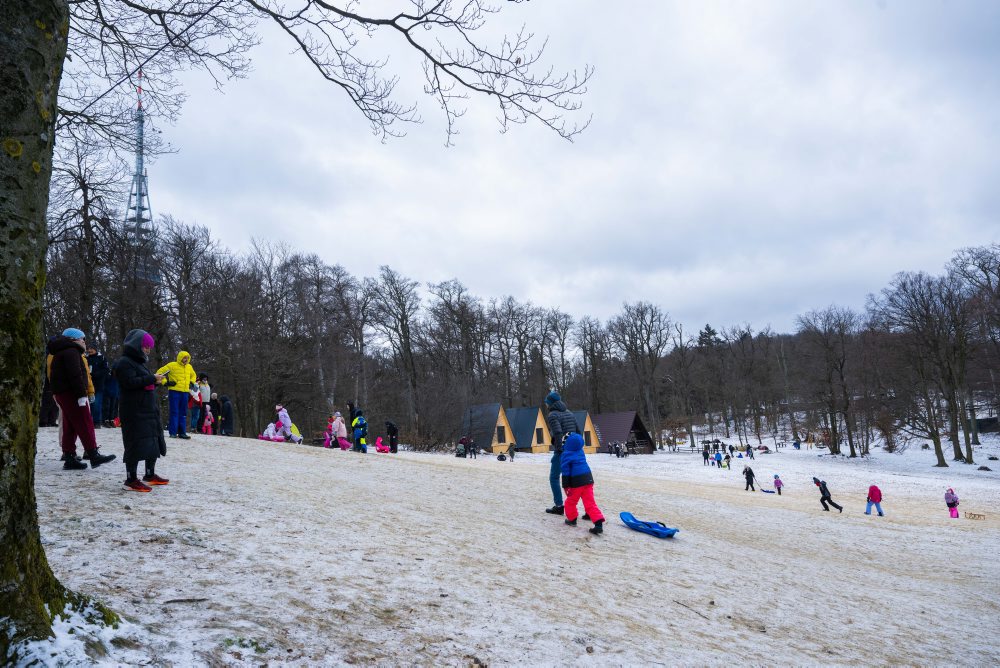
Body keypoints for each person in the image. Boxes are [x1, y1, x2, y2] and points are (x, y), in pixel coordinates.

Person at [47, 328, 116, 470]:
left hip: (64, 392)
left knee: (70, 424)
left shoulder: (63, 351)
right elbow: (75, 375)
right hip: (71, 393)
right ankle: (93, 454)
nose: (84, 341)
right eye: (82, 338)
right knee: (85, 421)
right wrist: (81, 395)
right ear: (74, 339)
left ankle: (69, 456)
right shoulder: (71, 352)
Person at [113, 329, 169, 492]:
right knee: (135, 443)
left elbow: (142, 383)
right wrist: (152, 378)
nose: (148, 350)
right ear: (137, 345)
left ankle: (149, 475)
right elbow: (129, 383)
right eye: (146, 347)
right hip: (133, 411)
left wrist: (155, 381)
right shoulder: (124, 362)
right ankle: (131, 479)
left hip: (147, 410)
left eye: (149, 347)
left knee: (152, 441)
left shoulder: (139, 363)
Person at [561, 433, 605, 535]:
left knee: (570, 502)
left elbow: (565, 471)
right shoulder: (580, 451)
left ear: (566, 443)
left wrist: (566, 486)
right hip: (588, 479)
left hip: (577, 482)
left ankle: (572, 519)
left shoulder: (566, 454)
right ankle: (598, 524)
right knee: (590, 502)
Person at [544, 391, 580, 516]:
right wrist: (578, 448)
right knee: (578, 480)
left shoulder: (553, 415)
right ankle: (587, 509)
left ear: (550, 403)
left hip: (562, 451)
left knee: (554, 478)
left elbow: (558, 432)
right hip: (575, 450)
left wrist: (559, 449)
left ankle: (559, 506)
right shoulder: (569, 412)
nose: (546, 405)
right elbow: (578, 431)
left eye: (547, 403)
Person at [156, 351, 197, 439]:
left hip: (185, 392)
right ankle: (173, 432)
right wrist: (165, 382)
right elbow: (159, 372)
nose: (185, 359)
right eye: (184, 357)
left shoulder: (189, 367)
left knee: (183, 413)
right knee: (174, 412)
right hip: (174, 391)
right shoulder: (172, 365)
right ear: (180, 357)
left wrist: (192, 382)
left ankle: (182, 432)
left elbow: (194, 375)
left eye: (187, 358)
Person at [85, 344, 109, 428]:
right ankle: (89, 421)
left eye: (92, 349)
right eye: (89, 348)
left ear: (95, 349)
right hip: (87, 385)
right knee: (88, 404)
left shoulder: (101, 358)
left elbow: (106, 370)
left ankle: (97, 422)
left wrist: (96, 374)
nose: (90, 350)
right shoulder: (85, 358)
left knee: (96, 404)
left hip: (98, 385)